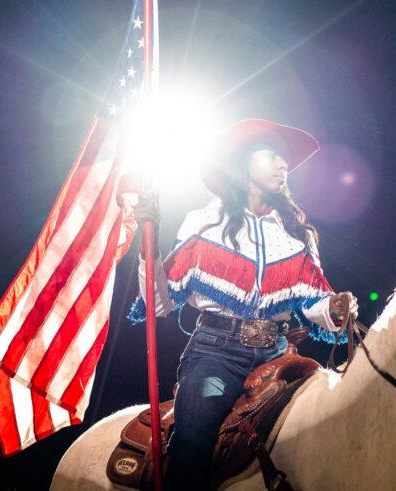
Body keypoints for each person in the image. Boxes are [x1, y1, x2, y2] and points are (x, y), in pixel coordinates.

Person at [127, 118, 357, 490]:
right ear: (242, 163)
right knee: (193, 440)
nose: (284, 165)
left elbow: (313, 301)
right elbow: (157, 305)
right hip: (216, 354)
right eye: (272, 156)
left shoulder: (297, 234)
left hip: (280, 354)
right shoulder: (203, 223)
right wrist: (147, 253)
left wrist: (334, 309)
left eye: (285, 160)